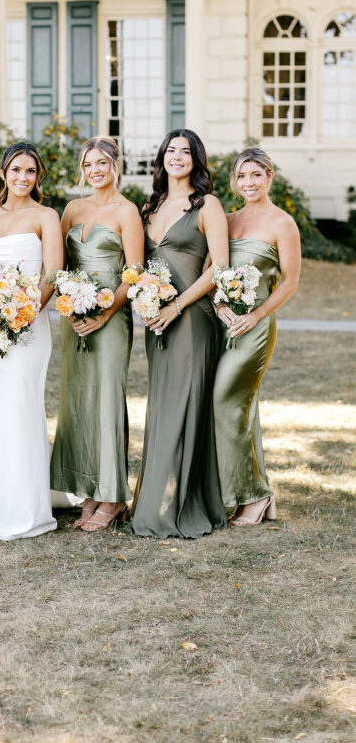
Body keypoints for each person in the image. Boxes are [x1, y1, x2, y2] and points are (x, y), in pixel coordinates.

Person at [126, 129, 228, 539]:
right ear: (161, 158)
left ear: (197, 160)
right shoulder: (148, 207)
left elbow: (219, 267)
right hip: (157, 321)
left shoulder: (208, 205)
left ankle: (183, 505)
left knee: (186, 406)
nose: (178, 157)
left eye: (186, 152)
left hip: (193, 317)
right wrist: (147, 304)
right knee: (163, 406)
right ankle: (154, 502)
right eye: (171, 150)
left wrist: (177, 305)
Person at [0, 142, 64, 540]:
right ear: (4, 173)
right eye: (16, 170)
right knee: (1, 412)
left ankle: (30, 511)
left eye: (30, 172)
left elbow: (53, 273)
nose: (23, 178)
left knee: (24, 408)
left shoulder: (46, 215)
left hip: (30, 328)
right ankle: (3, 508)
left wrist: (23, 315)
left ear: (37, 177)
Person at [49, 137, 143, 531]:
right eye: (89, 164)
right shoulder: (72, 209)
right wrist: (66, 303)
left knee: (106, 400)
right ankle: (88, 492)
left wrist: (106, 313)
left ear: (116, 165)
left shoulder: (127, 212)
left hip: (111, 317)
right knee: (79, 401)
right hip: (74, 319)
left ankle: (113, 497)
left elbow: (135, 272)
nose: (95, 170)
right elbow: (59, 266)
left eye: (102, 162)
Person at [212, 147, 301, 525]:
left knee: (226, 400)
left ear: (269, 176)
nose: (248, 183)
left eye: (256, 175)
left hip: (255, 328)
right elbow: (213, 270)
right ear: (235, 181)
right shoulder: (226, 220)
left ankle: (252, 495)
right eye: (242, 176)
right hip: (221, 323)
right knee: (241, 410)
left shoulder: (282, 223)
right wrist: (219, 307)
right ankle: (253, 493)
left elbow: (290, 282)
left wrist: (258, 315)